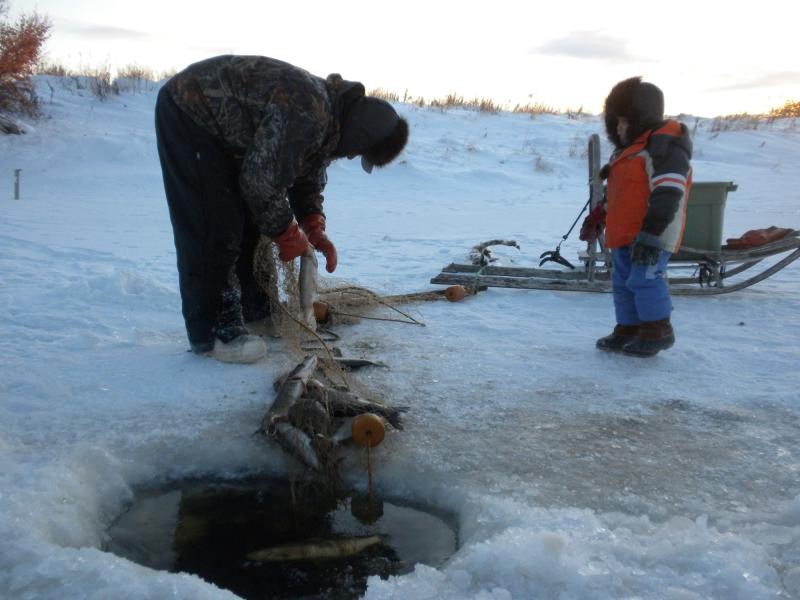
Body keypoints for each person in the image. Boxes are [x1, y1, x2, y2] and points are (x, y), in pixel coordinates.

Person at [155, 55, 409, 363]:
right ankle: (213, 334)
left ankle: (255, 311)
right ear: (360, 136)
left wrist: (313, 224)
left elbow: (305, 171)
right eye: (358, 153)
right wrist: (287, 234)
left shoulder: (328, 120)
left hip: (229, 136)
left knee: (251, 221)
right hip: (190, 112)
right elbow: (260, 182)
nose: (353, 156)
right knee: (216, 224)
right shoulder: (309, 112)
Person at [581, 77, 692, 357]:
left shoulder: (664, 148)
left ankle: (657, 329)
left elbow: (668, 192)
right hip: (624, 234)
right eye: (614, 123)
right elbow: (621, 195)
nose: (618, 129)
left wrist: (652, 233)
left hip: (651, 233)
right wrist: (598, 216)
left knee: (645, 279)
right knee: (622, 282)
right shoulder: (626, 154)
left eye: (624, 122)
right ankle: (629, 328)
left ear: (642, 117)